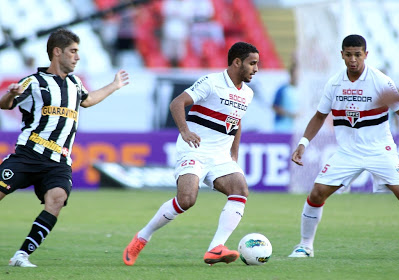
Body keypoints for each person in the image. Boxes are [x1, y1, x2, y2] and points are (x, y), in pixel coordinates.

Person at [0, 28, 129, 267]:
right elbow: (5, 104)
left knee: (57, 199)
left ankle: (21, 255)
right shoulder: (34, 82)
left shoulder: (75, 84)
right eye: (73, 51)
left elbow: (88, 100)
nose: (77, 57)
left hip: (58, 160)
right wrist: (10, 95)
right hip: (28, 154)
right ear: (57, 52)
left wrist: (114, 85)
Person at [123, 42, 259, 266]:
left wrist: (234, 152)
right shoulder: (211, 82)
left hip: (220, 156)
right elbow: (177, 103)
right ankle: (142, 237)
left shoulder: (247, 93)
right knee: (187, 200)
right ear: (237, 62)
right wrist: (185, 131)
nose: (255, 69)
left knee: (240, 190)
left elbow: (236, 121)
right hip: (194, 149)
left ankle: (216, 248)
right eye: (252, 64)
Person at [288, 34, 399, 258]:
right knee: (317, 193)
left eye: (357, 55)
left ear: (366, 55)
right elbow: (319, 116)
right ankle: (305, 246)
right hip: (348, 152)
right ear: (342, 55)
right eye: (348, 55)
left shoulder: (381, 81)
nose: (353, 60)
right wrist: (303, 143)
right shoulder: (334, 83)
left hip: (379, 149)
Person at [272, 62, 299, 133]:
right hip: (282, 127)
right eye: (296, 73)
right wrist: (290, 114)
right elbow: (275, 106)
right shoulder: (283, 89)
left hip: (297, 128)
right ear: (291, 74)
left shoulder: (301, 90)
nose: (298, 76)